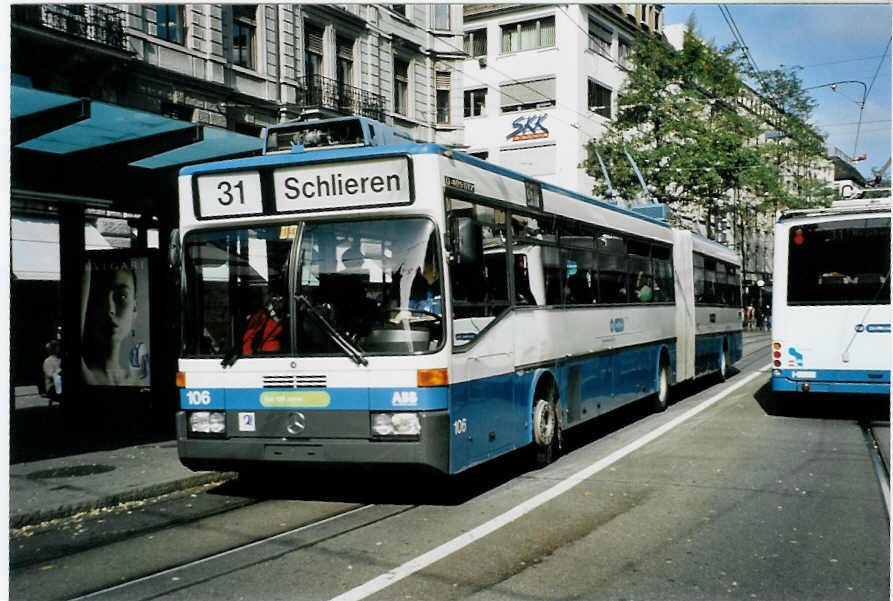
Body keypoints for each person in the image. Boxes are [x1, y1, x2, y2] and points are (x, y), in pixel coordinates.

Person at [81, 259, 144, 386]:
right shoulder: (83, 373)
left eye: (121, 297)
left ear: (135, 308)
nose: (110, 310)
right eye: (98, 298)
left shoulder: (137, 384)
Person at [42, 340, 62, 405]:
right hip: (52, 387)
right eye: (57, 347)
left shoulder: (61, 359)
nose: (58, 348)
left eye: (59, 347)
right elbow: (51, 375)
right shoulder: (47, 361)